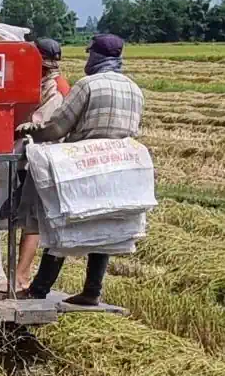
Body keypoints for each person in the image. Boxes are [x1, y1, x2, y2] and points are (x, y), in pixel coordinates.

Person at [20, 33, 145, 307]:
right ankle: (92, 290)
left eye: (90, 55)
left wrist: (31, 132)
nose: (88, 59)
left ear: (97, 57)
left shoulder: (87, 86)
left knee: (65, 217)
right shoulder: (134, 88)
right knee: (105, 223)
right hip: (119, 165)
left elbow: (59, 126)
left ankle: (39, 288)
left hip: (85, 164)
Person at [14, 38, 71, 290]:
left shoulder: (56, 89)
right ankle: (21, 275)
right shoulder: (43, 83)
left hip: (43, 161)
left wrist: (17, 127)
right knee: (27, 218)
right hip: (32, 158)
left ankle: (22, 276)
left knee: (32, 219)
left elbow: (42, 127)